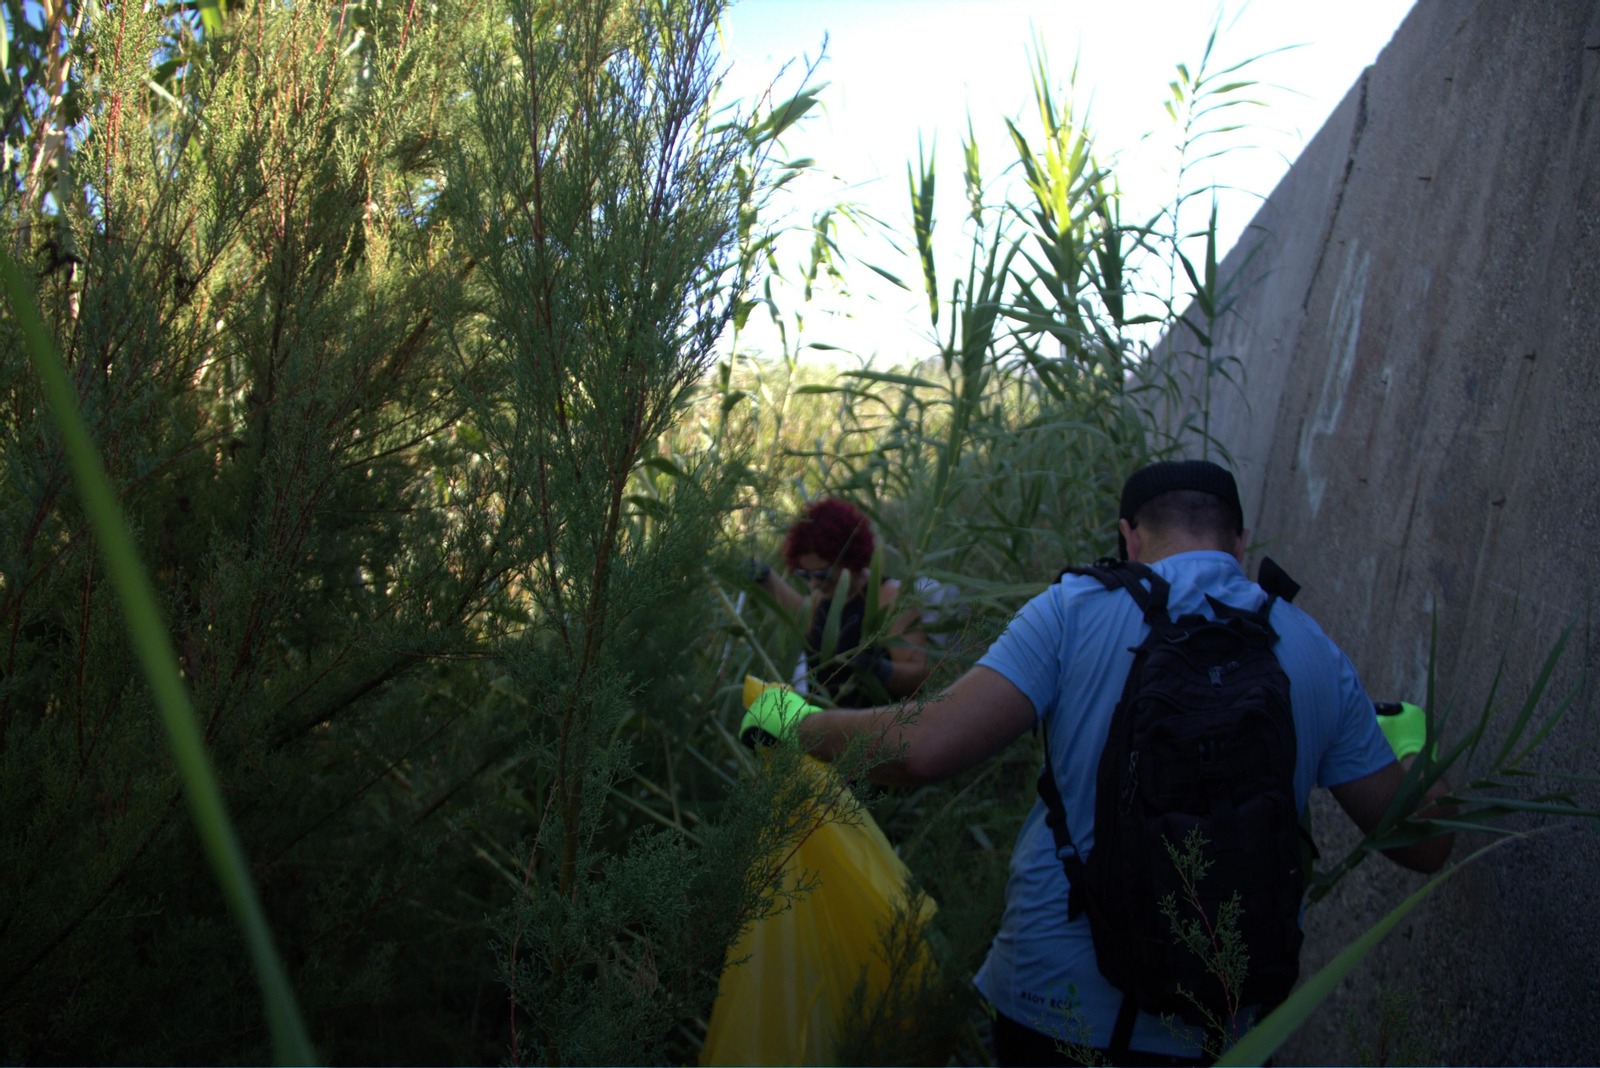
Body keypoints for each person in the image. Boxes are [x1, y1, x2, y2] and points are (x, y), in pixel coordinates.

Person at [742, 460, 1455, 1066]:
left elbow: (921, 748)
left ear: (1128, 536)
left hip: (1055, 1008)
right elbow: (1424, 843)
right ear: (1239, 541)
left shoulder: (1074, 610)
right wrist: (1414, 738)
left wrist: (787, 717)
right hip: (1222, 1029)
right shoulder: (1309, 649)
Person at [746, 497, 933, 706]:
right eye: (805, 575)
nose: (815, 583)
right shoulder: (823, 597)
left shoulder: (888, 597)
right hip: (828, 727)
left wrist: (878, 669)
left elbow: (920, 674)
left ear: (851, 559)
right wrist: (766, 578)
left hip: (877, 728)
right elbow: (803, 620)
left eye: (823, 574)